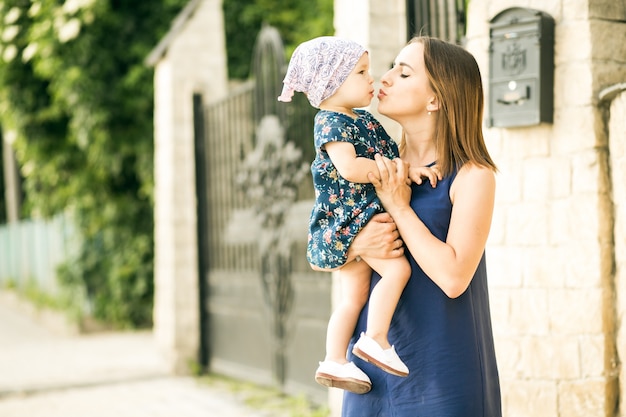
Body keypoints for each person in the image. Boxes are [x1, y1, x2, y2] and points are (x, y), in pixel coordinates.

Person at [340, 36, 502, 416]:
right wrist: (356, 244)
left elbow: (453, 277)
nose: (387, 77)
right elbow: (323, 252)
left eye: (404, 71)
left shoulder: (473, 175)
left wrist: (398, 207)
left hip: (442, 370)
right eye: (393, 65)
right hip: (371, 366)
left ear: (435, 99)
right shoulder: (370, 167)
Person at [277, 36, 440, 395]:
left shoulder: (362, 120)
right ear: (332, 82)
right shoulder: (330, 122)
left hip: (360, 218)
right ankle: (374, 338)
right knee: (397, 270)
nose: (373, 78)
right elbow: (350, 168)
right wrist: (401, 170)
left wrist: (403, 166)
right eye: (361, 72)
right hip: (352, 218)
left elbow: (383, 157)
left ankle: (335, 359)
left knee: (353, 296)